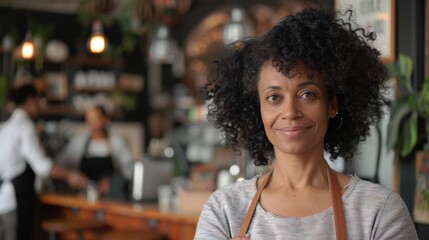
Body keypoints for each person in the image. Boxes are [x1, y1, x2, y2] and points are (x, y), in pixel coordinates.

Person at [195, 8, 418, 240]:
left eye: (307, 94)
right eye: (274, 98)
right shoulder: (224, 211)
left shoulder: (380, 211)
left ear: (332, 104)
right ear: (258, 109)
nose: (290, 112)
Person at [0, 83, 88, 240]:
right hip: (16, 200)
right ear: (30, 101)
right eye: (38, 101)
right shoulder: (25, 127)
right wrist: (69, 175)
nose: (40, 106)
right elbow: (43, 167)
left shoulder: (6, 127)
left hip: (4, 199)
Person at [56, 105, 132, 197]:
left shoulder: (117, 143)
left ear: (106, 119)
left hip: (111, 198)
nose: (92, 123)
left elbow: (129, 171)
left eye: (96, 119)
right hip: (82, 196)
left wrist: (114, 182)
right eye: (89, 120)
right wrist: (70, 176)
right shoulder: (79, 142)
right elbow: (58, 164)